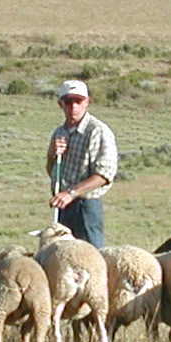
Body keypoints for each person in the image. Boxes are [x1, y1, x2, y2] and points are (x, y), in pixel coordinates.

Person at [44, 78, 118, 246]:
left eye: (78, 101)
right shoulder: (59, 132)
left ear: (87, 102)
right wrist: (51, 155)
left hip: (85, 206)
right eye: (68, 102)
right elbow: (52, 172)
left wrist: (71, 193)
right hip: (63, 205)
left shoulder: (97, 131)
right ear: (60, 104)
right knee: (60, 253)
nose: (74, 107)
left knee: (91, 255)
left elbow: (104, 175)